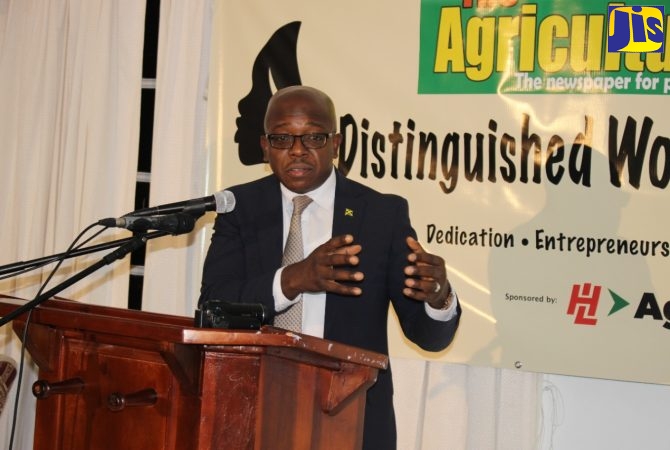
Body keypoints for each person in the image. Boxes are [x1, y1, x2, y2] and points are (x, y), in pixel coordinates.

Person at [199, 85, 461, 449]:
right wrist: (294, 279)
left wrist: (439, 298)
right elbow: (214, 307)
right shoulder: (241, 207)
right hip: (252, 411)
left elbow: (428, 336)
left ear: (335, 144)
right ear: (264, 146)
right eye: (282, 138)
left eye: (313, 137)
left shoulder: (380, 215)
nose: (297, 150)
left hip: (348, 417)